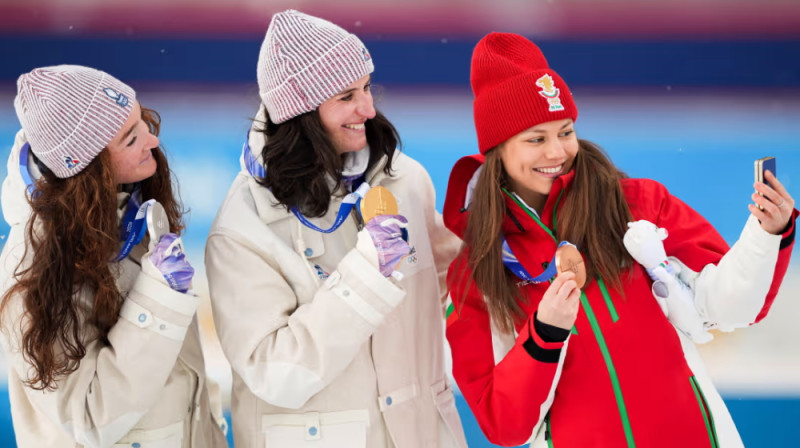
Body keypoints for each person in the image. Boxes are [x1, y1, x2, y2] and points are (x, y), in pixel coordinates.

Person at [442, 32, 797, 448]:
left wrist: (766, 234)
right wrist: (544, 335)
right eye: (536, 139)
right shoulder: (477, 273)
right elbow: (505, 425)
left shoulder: (640, 204)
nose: (557, 152)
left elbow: (732, 306)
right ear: (497, 150)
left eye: (566, 131)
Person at [204, 9, 467, 448]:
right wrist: (366, 273)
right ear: (301, 112)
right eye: (347, 96)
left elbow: (445, 286)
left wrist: (494, 254)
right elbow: (277, 374)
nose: (368, 108)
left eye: (367, 87)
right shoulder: (241, 230)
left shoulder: (406, 180)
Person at [0, 65, 228, 447]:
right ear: (86, 166)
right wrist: (157, 300)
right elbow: (90, 418)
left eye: (142, 122)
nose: (153, 142)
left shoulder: (126, 210)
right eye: (129, 138)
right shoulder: (31, 274)